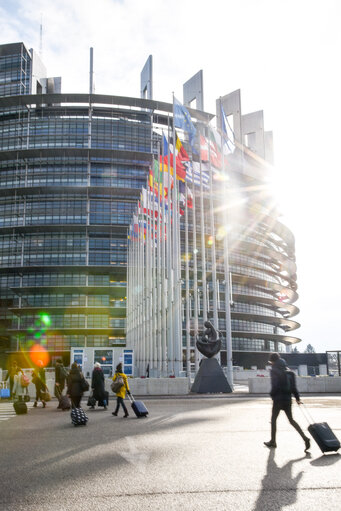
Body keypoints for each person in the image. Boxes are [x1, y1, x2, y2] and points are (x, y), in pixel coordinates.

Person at [264, 353, 310, 451]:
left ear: (273, 361)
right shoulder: (290, 372)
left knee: (273, 420)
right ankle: (305, 438)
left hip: (278, 400)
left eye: (271, 362)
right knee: (291, 420)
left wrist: (272, 395)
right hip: (288, 400)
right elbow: (294, 387)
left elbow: (275, 385)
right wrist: (297, 399)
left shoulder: (274, 371)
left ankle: (273, 441)